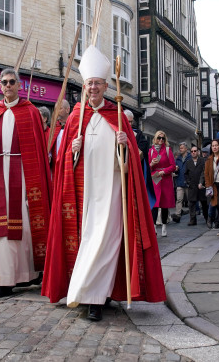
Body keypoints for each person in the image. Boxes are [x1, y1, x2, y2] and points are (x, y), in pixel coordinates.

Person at [41, 45, 165, 321]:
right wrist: (73, 150)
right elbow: (62, 165)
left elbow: (131, 163)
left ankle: (96, 297)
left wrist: (125, 147)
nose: (93, 88)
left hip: (111, 192)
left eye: (97, 83)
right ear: (84, 86)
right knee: (88, 241)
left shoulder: (118, 115)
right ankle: (88, 293)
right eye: (89, 84)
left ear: (106, 85)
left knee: (107, 242)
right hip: (83, 193)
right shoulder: (75, 117)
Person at [0, 68, 52, 299]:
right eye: (3, 83)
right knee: (0, 230)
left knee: (24, 226)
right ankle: (4, 280)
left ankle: (25, 274)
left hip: (22, 174)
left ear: (19, 85)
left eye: (11, 82)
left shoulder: (29, 112)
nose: (7, 86)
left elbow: (37, 151)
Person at [124, 109, 156, 209]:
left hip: (134, 171)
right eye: (126, 121)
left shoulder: (138, 134)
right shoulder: (115, 132)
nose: (129, 124)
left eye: (130, 121)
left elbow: (142, 149)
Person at [149, 131, 176, 236]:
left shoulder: (168, 150)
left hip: (165, 179)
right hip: (155, 179)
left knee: (165, 205)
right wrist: (151, 164)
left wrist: (164, 171)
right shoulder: (151, 151)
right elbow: (148, 167)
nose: (161, 140)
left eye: (163, 138)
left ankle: (164, 226)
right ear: (155, 138)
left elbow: (173, 166)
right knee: (155, 205)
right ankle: (154, 226)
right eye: (159, 138)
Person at [203, 139, 219, 232]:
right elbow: (206, 174)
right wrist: (208, 185)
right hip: (214, 185)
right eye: (213, 146)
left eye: (216, 145)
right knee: (216, 205)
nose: (215, 147)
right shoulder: (209, 160)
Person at [185, 146, 207, 226]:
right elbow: (186, 174)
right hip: (192, 186)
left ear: (198, 152)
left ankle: (207, 218)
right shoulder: (188, 162)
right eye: (192, 151)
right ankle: (192, 220)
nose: (193, 152)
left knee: (204, 203)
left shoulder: (202, 161)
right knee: (191, 204)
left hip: (201, 186)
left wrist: (202, 182)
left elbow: (204, 172)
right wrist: (188, 182)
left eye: (195, 151)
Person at [173, 142, 190, 222]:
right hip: (179, 181)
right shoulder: (178, 159)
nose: (180, 150)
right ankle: (177, 215)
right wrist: (175, 170)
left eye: (182, 148)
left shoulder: (189, 157)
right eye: (180, 148)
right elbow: (175, 171)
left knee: (190, 199)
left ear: (186, 148)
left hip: (188, 181)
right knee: (179, 199)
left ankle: (192, 215)